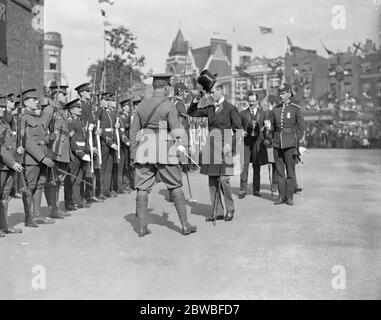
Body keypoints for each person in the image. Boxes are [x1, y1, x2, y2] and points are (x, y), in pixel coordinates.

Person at [130, 73, 197, 237]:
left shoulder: (141, 105)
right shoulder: (169, 106)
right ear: (166, 87)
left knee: (142, 188)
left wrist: (134, 154)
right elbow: (176, 130)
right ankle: (184, 225)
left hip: (144, 150)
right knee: (175, 186)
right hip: (165, 149)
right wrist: (181, 146)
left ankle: (142, 227)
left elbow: (133, 133)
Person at [187, 70, 242, 222]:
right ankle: (217, 211)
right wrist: (197, 97)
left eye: (213, 92)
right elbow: (191, 112)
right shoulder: (210, 108)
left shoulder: (231, 108)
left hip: (225, 148)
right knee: (212, 181)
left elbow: (239, 131)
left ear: (221, 90)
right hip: (211, 148)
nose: (211, 95)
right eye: (210, 92)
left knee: (224, 179)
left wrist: (230, 146)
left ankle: (230, 209)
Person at [266, 83, 306, 206]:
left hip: (290, 144)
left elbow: (301, 128)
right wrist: (268, 129)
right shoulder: (275, 109)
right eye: (280, 93)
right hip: (277, 143)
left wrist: (296, 141)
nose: (281, 95)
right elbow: (272, 127)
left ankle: (289, 197)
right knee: (279, 172)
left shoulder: (296, 109)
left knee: (290, 171)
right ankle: (281, 196)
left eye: (283, 93)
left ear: (289, 93)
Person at [20, 89, 55, 227]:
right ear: (26, 102)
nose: (37, 102)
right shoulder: (23, 118)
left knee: (40, 186)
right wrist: (42, 158)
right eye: (34, 100)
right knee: (29, 187)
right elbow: (26, 141)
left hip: (42, 158)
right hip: (31, 160)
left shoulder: (36, 118)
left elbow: (39, 138)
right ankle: (29, 218)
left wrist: (48, 138)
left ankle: (37, 215)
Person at [41, 84, 72, 219]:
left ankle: (55, 207)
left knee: (58, 181)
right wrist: (48, 139)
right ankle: (52, 209)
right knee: (52, 181)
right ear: (55, 95)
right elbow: (40, 131)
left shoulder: (61, 111)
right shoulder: (49, 110)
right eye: (63, 94)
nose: (66, 96)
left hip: (62, 151)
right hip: (54, 150)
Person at [0, 95, 24, 236]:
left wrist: (17, 151)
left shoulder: (5, 124)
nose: (2, 110)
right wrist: (12, 162)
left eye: (4, 107)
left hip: (8, 165)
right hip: (3, 164)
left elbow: (9, 145)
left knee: (5, 195)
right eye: (0, 107)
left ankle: (4, 225)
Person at [64, 98, 92, 210]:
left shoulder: (79, 120)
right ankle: (69, 202)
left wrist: (87, 150)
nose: (80, 109)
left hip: (82, 153)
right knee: (71, 178)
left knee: (79, 178)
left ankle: (77, 200)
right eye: (77, 107)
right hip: (75, 154)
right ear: (71, 110)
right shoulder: (70, 121)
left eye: (80, 107)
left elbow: (84, 138)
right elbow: (72, 140)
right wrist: (80, 153)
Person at [238, 91, 268, 199]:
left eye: (253, 101)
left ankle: (256, 189)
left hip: (258, 143)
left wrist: (267, 132)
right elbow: (237, 127)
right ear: (247, 101)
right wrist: (242, 132)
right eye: (250, 101)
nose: (251, 103)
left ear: (257, 101)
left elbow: (266, 128)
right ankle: (242, 190)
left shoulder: (263, 113)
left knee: (256, 166)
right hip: (246, 142)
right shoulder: (242, 114)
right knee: (244, 166)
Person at [98, 93, 118, 198]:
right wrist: (110, 143)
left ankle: (106, 189)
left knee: (109, 167)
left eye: (109, 100)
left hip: (112, 142)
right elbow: (101, 130)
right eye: (106, 100)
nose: (108, 102)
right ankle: (100, 190)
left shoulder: (111, 113)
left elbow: (113, 129)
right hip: (104, 143)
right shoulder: (100, 113)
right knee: (103, 167)